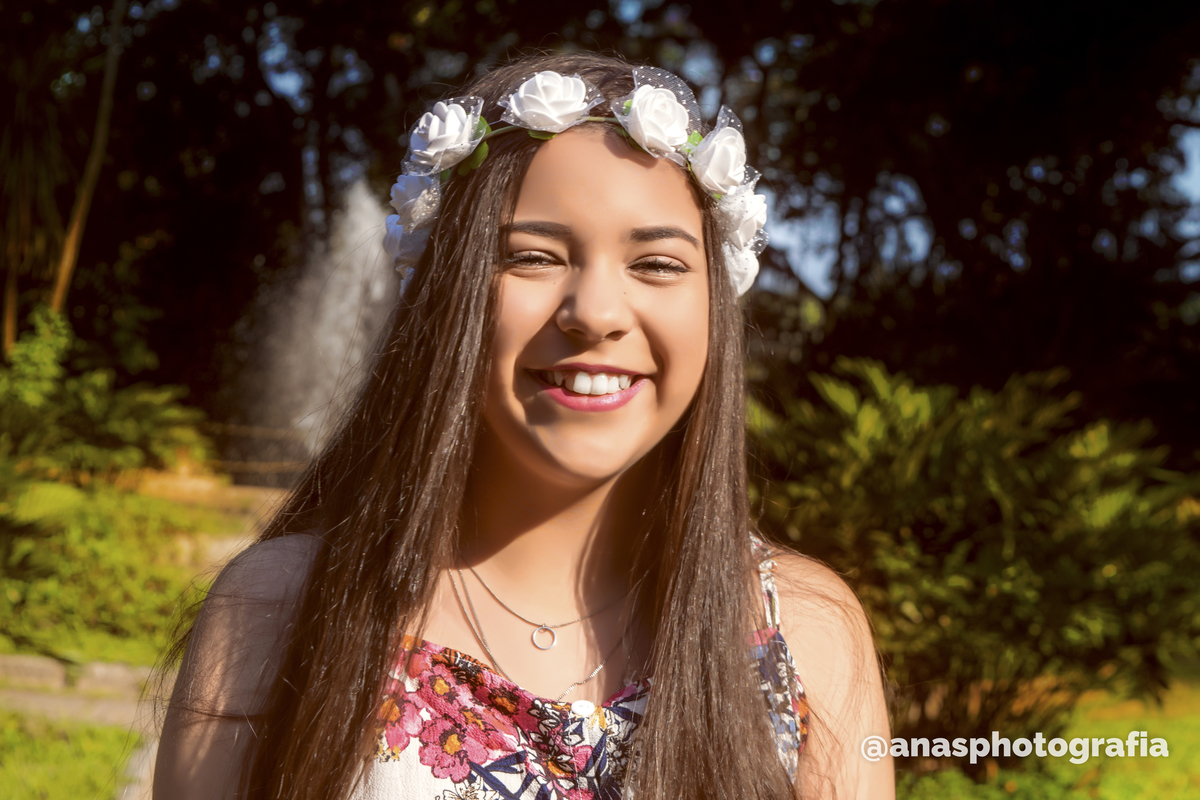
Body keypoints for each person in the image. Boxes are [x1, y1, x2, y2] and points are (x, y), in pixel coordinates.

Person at [152, 51, 894, 800]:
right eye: (533, 257)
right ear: (448, 294)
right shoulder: (283, 611)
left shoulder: (807, 636)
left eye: (658, 265)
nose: (596, 314)